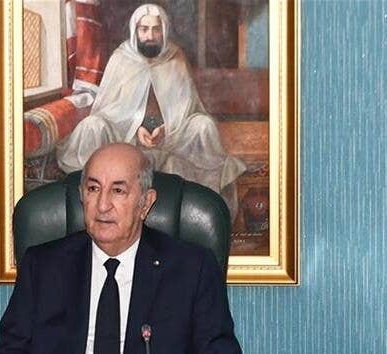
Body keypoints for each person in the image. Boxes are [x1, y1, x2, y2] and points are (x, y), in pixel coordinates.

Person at [0, 143, 247, 354]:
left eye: (118, 191)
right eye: (93, 189)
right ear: (82, 196)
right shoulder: (44, 266)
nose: (102, 205)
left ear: (145, 203)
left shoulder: (190, 269)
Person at [56, 3, 246, 220]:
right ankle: (85, 206)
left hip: (171, 136)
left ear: (163, 30)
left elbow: (186, 107)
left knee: (204, 126)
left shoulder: (175, 57)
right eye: (144, 29)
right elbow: (107, 109)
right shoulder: (121, 58)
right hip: (125, 136)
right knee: (91, 126)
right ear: (135, 30)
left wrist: (166, 129)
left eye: (156, 29)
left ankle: (205, 205)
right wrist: (135, 128)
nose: (150, 35)